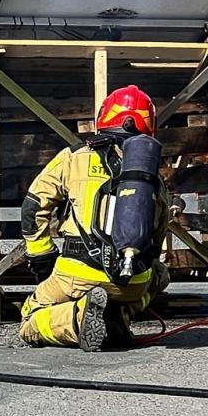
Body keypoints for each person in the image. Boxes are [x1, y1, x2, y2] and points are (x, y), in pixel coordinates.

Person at [20, 86, 172, 351]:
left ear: (104, 118)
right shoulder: (151, 176)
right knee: (161, 274)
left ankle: (76, 319)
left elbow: (34, 206)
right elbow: (158, 232)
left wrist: (41, 255)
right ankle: (119, 315)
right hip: (133, 283)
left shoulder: (74, 158)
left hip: (77, 272)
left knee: (30, 318)